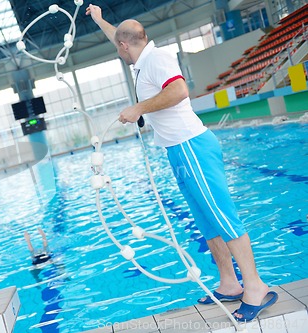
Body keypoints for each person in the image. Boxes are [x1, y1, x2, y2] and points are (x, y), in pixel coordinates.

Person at [86, 4, 277, 322]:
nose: (117, 50)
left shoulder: (157, 60)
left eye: (118, 46)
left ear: (125, 45)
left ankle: (255, 286)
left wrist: (139, 108)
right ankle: (229, 283)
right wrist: (98, 19)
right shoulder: (140, 56)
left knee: (223, 217)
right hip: (179, 151)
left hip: (192, 146)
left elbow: (178, 90)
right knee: (207, 221)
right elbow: (117, 35)